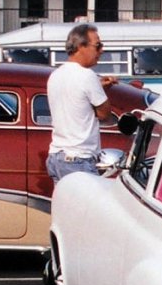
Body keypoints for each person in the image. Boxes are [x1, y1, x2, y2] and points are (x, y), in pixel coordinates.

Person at [46, 22, 119, 184]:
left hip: (57, 156)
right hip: (79, 159)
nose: (102, 50)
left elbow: (76, 101)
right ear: (81, 46)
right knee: (87, 209)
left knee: (65, 208)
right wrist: (102, 91)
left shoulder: (56, 75)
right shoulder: (87, 76)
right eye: (98, 45)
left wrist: (98, 88)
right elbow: (104, 114)